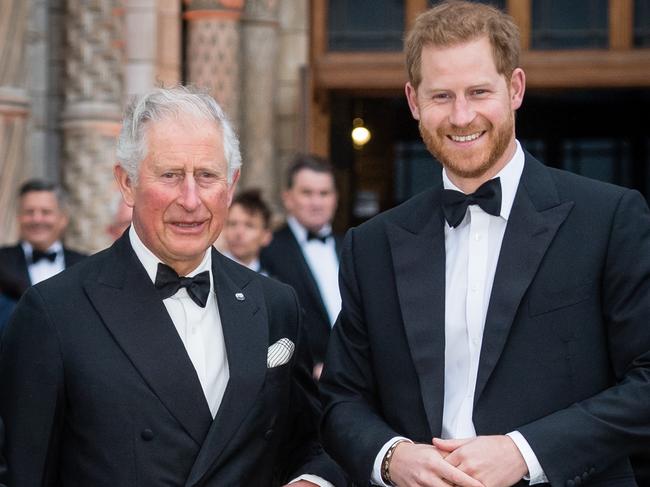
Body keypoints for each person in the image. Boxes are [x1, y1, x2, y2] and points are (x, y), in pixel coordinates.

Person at [319, 2, 650, 487]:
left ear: (514, 88)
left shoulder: (610, 217)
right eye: (441, 96)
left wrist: (525, 451)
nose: (461, 115)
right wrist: (392, 458)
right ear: (413, 101)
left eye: (479, 92)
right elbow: (340, 400)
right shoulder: (371, 245)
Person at [0, 86, 347, 486]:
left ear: (231, 185)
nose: (190, 199)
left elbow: (313, 443)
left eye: (207, 175)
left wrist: (312, 481)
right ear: (127, 183)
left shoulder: (275, 304)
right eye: (170, 175)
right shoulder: (54, 312)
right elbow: (22, 473)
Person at [261, 155, 342, 378]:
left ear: (335, 198)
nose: (316, 203)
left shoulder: (351, 248)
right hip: (300, 382)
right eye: (307, 193)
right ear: (287, 198)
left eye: (324, 194)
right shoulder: (268, 250)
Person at [0, 179, 86, 296]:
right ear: (19, 217)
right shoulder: (3, 261)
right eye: (29, 212)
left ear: (63, 219)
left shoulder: (84, 265)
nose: (37, 219)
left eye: (46, 212)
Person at [223, 188, 272, 274]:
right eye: (232, 224)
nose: (239, 232)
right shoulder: (206, 276)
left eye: (249, 226)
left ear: (266, 236)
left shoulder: (273, 283)